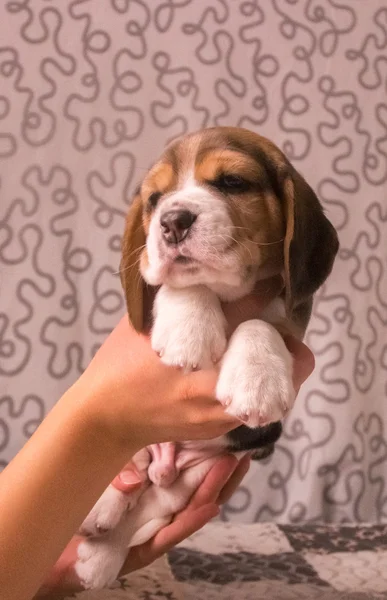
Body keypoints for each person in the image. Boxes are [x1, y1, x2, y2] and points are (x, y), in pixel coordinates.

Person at [0, 278, 315, 600]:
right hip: (146, 438)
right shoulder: (176, 290)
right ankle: (115, 532)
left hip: (218, 447)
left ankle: (120, 531)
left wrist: (40, 573)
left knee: (181, 492)